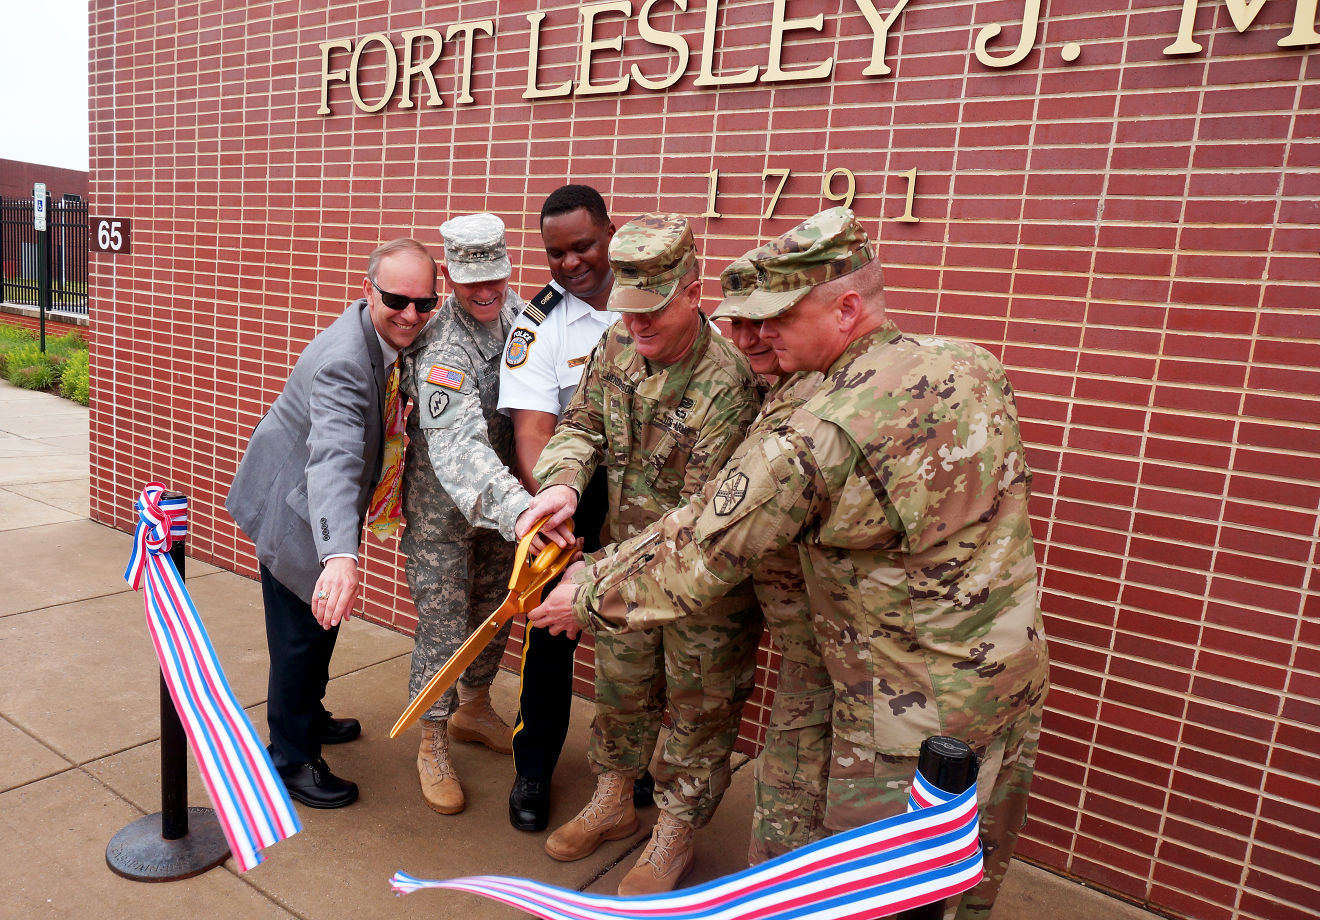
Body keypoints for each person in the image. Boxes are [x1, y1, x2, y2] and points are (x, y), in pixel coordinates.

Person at [528, 207, 1050, 918]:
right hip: (1000, 683)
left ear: (847, 308)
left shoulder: (816, 429)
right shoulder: (969, 364)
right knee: (958, 887)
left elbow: (702, 552)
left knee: (863, 895)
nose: (759, 335)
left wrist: (583, 595)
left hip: (902, 710)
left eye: (779, 317)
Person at [532, 214, 764, 896]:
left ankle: (675, 833)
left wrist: (594, 579)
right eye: (626, 310)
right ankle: (613, 802)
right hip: (622, 568)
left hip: (699, 584)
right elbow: (580, 423)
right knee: (621, 686)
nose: (635, 327)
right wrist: (563, 483)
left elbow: (695, 525)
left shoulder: (727, 384)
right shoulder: (616, 344)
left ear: (692, 293)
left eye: (652, 311)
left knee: (698, 708)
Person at [226, 237, 438, 808]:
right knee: (298, 637)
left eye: (426, 303)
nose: (412, 315)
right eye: (398, 299)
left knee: (321, 626)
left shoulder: (379, 337)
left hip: (314, 501)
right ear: (367, 290)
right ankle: (291, 758)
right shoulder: (345, 359)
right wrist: (339, 555)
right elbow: (336, 457)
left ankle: (309, 716)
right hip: (298, 509)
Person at [398, 213, 563, 815]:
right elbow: (457, 447)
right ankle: (432, 738)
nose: (488, 292)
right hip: (446, 508)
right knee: (444, 623)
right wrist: (525, 510)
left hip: (506, 508)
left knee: (497, 606)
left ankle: (474, 707)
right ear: (451, 276)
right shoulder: (442, 344)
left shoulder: (527, 316)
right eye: (473, 284)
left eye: (496, 277)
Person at [497, 184, 626, 832]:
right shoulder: (539, 325)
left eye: (584, 246)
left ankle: (633, 776)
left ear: (611, 232)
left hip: (647, 500)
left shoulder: (648, 296)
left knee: (644, 639)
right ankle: (533, 768)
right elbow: (532, 431)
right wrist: (557, 510)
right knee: (549, 638)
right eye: (555, 254)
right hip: (567, 497)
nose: (571, 263)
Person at [711, 257, 833, 865]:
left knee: (803, 811)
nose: (747, 339)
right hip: (799, 641)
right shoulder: (760, 380)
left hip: (842, 656)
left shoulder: (820, 402)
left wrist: (594, 592)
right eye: (735, 323)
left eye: (763, 323)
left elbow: (713, 530)